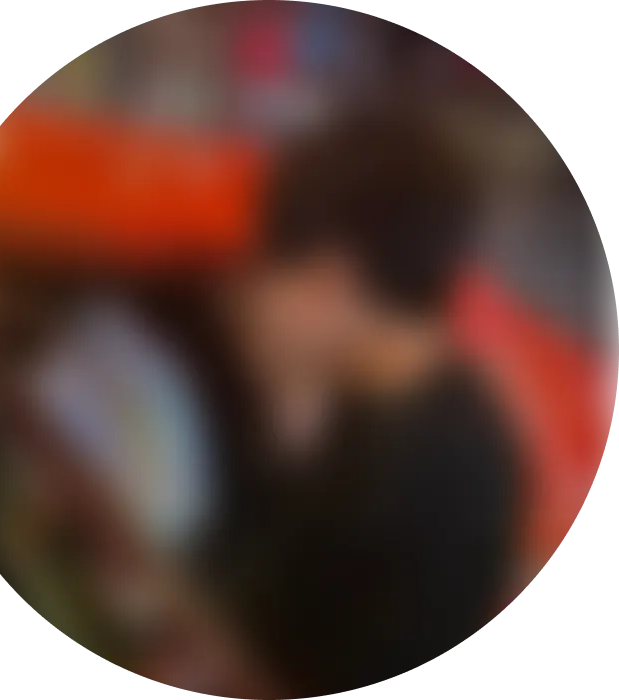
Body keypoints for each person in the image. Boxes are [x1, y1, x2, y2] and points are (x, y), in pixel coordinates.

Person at [197, 107, 526, 695]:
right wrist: (292, 419)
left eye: (266, 270)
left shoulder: (419, 480)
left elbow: (254, 622)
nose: (245, 292)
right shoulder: (400, 390)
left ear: (330, 281)